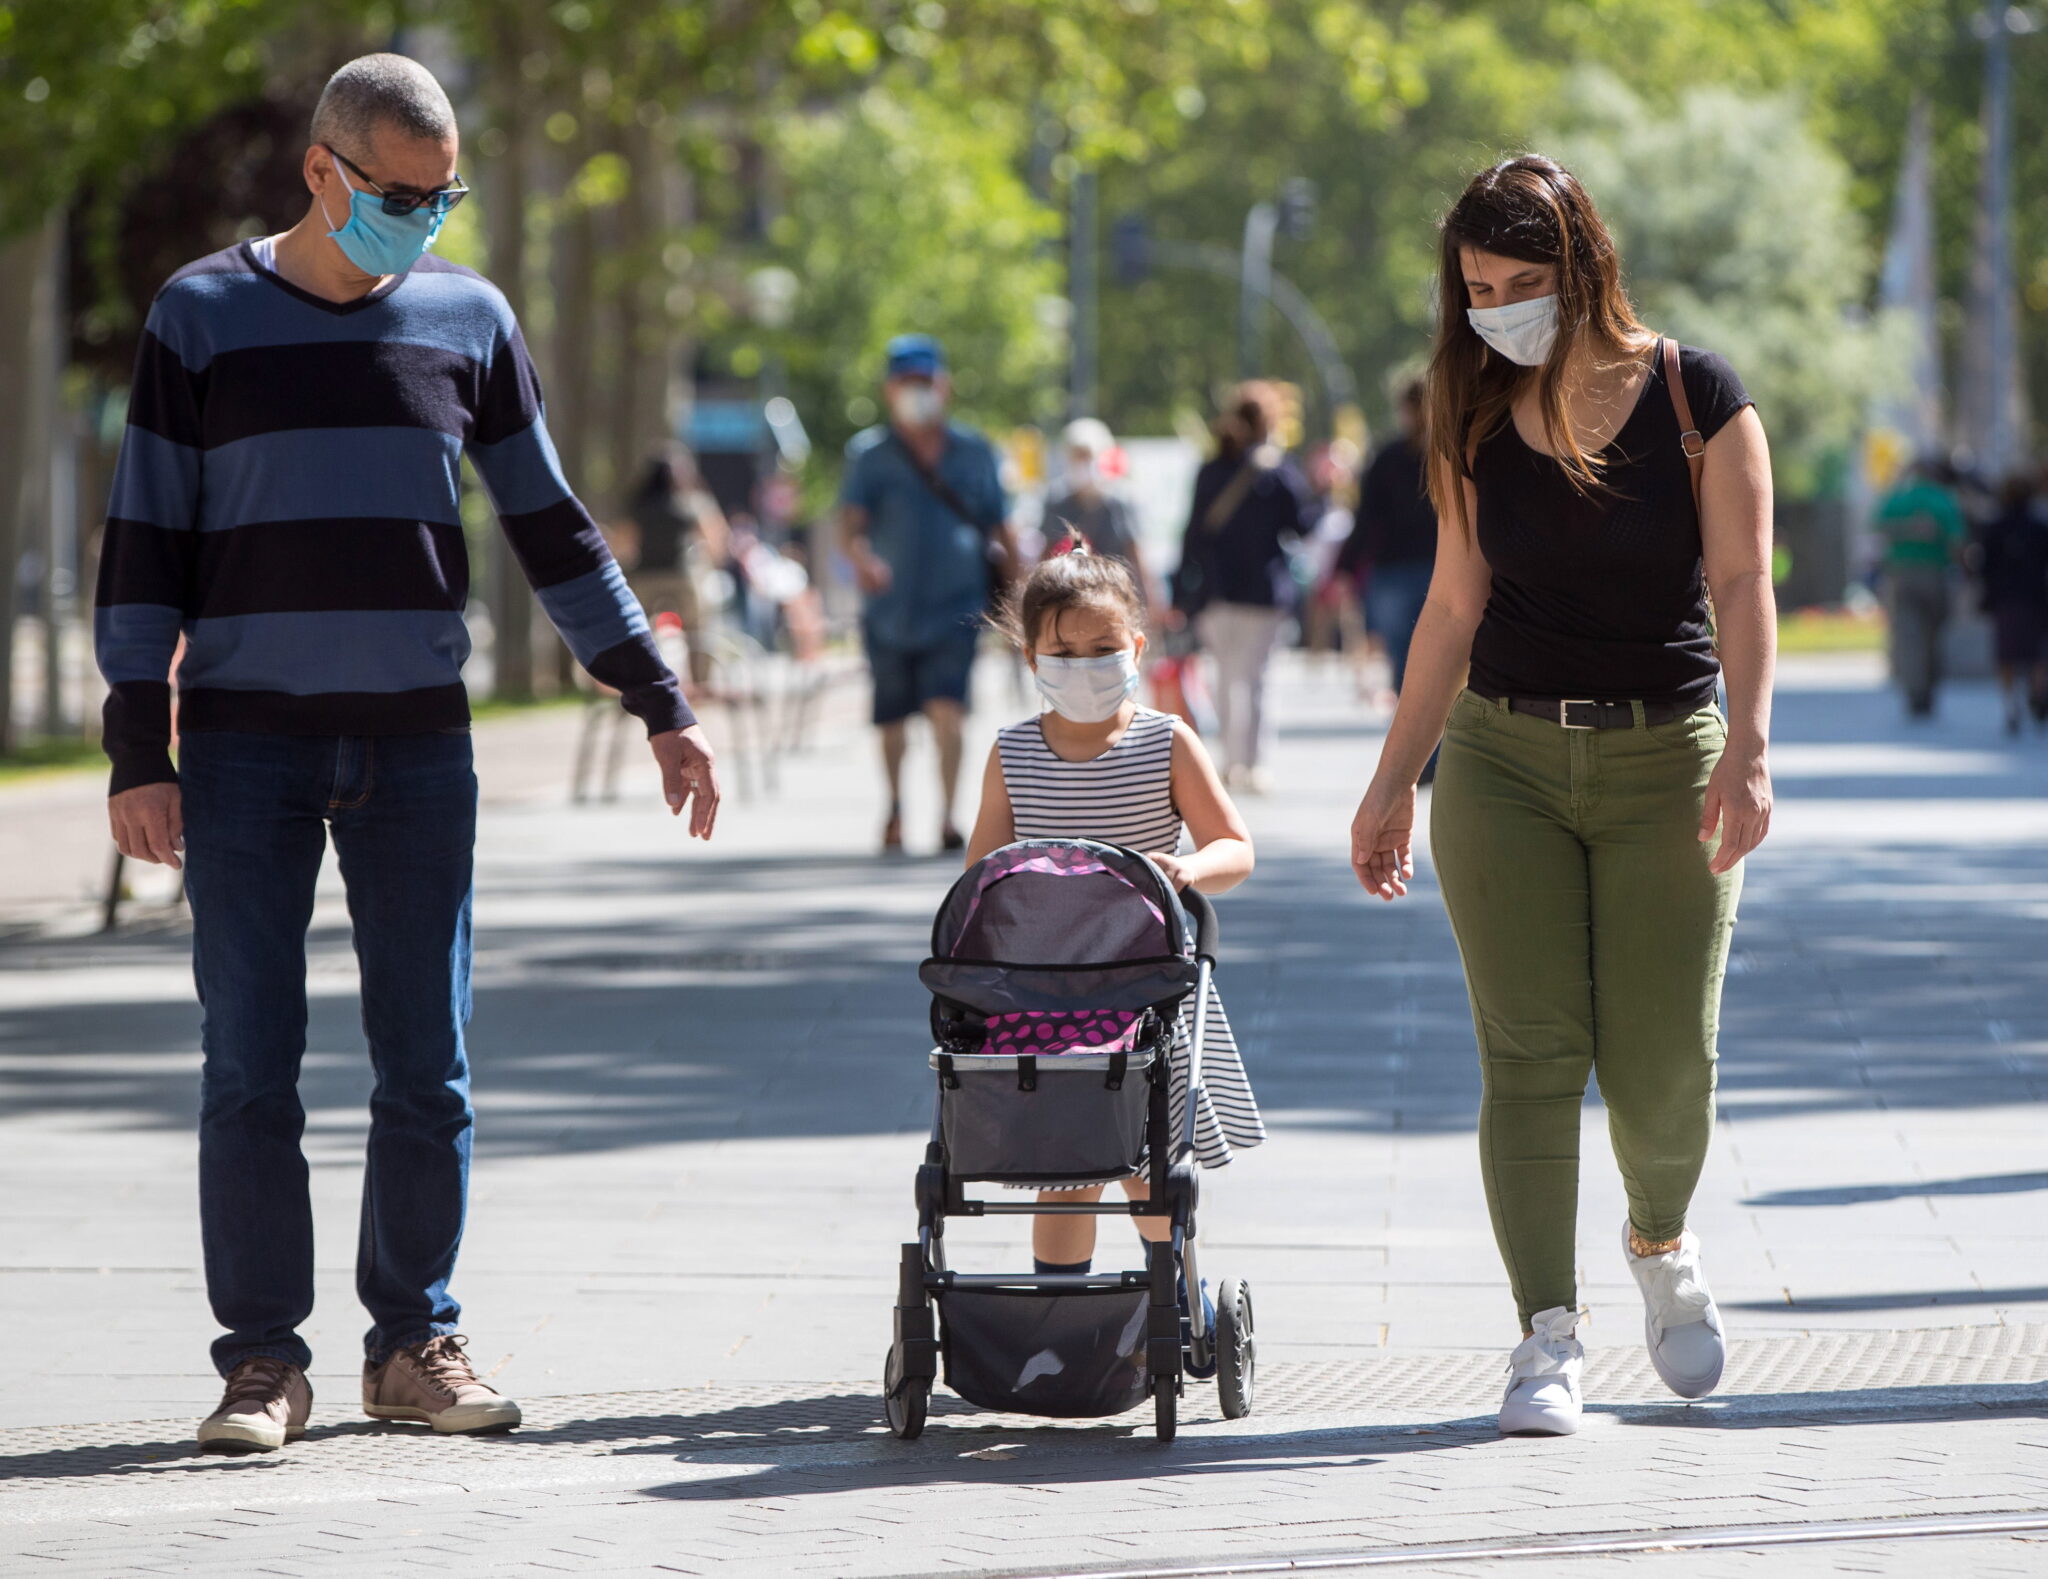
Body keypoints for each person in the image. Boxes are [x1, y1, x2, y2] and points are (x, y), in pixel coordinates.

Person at [93, 54, 720, 1455]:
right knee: (247, 1062)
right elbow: (146, 543)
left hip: (419, 750)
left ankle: (411, 1343)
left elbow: (551, 527)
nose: (423, 223)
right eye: (397, 195)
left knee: (426, 1066)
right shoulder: (199, 317)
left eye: (444, 199)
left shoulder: (468, 317)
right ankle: (263, 1363)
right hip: (246, 748)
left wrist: (655, 697)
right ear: (321, 168)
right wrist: (141, 742)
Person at [1347, 155, 1775, 1437]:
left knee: (1658, 1069)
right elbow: (1448, 607)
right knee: (1528, 1058)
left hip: (1668, 761)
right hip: (1503, 760)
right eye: (1476, 287)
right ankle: (1545, 1336)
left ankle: (1658, 1238)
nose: (1494, 309)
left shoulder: (1697, 395)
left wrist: (1748, 748)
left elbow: (1745, 587)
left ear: (1582, 267)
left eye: (1519, 283)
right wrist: (1390, 783)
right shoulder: (1469, 407)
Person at [964, 548, 1264, 1320]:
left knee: (1149, 1157)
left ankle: (1177, 1292)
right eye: (1064, 653)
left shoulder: (1166, 741)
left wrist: (1190, 870)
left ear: (1137, 646)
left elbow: (1235, 846)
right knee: (1065, 1166)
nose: (1085, 666)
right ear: (1032, 657)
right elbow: (980, 878)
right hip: (1047, 995)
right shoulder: (1014, 752)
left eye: (1104, 650)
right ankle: (1057, 1313)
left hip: (1146, 991)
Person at [839, 334, 1017, 854]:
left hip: (957, 607)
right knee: (891, 719)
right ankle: (895, 807)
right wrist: (862, 559)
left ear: (944, 386)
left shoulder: (975, 450)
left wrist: (1023, 599)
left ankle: (947, 816)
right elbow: (849, 527)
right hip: (889, 611)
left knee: (948, 710)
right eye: (907, 382)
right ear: (890, 389)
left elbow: (1000, 527)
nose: (918, 391)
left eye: (926, 381)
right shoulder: (869, 455)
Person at [1175, 381, 1317, 790]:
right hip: (1263, 594)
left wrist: (1184, 594)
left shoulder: (1211, 469)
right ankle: (1251, 764)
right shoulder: (1279, 473)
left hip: (1216, 594)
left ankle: (1228, 761)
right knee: (1256, 682)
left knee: (1222, 679)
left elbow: (1193, 535)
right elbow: (1302, 526)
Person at [1342, 378, 1438, 697]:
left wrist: (1345, 566)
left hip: (1393, 572)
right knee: (1440, 661)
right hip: (1440, 570)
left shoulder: (1388, 458)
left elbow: (1366, 518)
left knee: (1403, 661)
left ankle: (1416, 734)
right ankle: (1437, 741)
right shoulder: (1450, 454)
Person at [621, 447, 729, 688]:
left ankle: (641, 682)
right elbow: (715, 539)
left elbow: (625, 544)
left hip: (645, 577)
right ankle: (701, 684)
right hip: (682, 576)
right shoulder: (690, 503)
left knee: (638, 631)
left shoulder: (638, 507)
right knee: (698, 629)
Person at [1873, 459, 1968, 718]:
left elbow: (1876, 526)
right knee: (1933, 634)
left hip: (1901, 573)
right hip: (1934, 573)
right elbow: (1957, 542)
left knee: (1908, 636)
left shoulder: (1897, 499)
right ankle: (1928, 688)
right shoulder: (1943, 500)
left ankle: (1914, 689)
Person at [1042, 417, 1161, 615]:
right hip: (1068, 601)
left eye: (1087, 456)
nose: (1083, 463)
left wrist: (1152, 601)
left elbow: (1136, 553)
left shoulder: (1122, 501)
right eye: (1077, 456)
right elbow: (1045, 554)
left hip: (1116, 599)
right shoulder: (1057, 501)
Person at [1976, 469, 2048, 734]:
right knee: (2037, 652)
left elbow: (1984, 567)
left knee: (2007, 654)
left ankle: (2011, 703)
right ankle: (2037, 691)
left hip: (2005, 599)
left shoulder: (1994, 528)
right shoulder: (2040, 527)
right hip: (2035, 597)